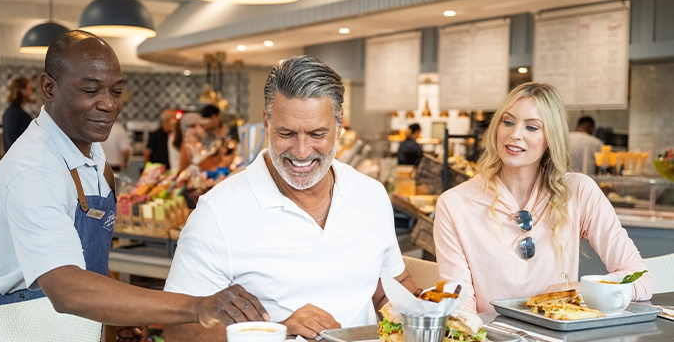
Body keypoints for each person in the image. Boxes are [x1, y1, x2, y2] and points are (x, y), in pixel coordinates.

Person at [0, 31, 268, 340]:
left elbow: (82, 259)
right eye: (91, 90)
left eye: (115, 90)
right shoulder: (34, 170)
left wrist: (120, 310)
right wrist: (198, 307)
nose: (108, 104)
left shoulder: (91, 151)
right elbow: (66, 288)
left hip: (75, 328)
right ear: (49, 87)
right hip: (25, 329)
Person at [163, 55, 419, 341]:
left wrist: (419, 318)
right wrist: (277, 332)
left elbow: (389, 288)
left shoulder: (371, 194)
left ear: (339, 125)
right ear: (267, 122)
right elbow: (179, 332)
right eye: (286, 133)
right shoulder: (217, 213)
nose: (301, 151)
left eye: (317, 133)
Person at [433, 82, 652, 314]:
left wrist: (580, 290)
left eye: (532, 127)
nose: (515, 134)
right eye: (507, 122)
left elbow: (639, 278)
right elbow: (460, 303)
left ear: (551, 138)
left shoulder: (579, 191)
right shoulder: (454, 204)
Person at [1, 76, 34, 152]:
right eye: (29, 89)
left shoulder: (8, 111)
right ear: (22, 91)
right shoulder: (21, 116)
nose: (31, 92)